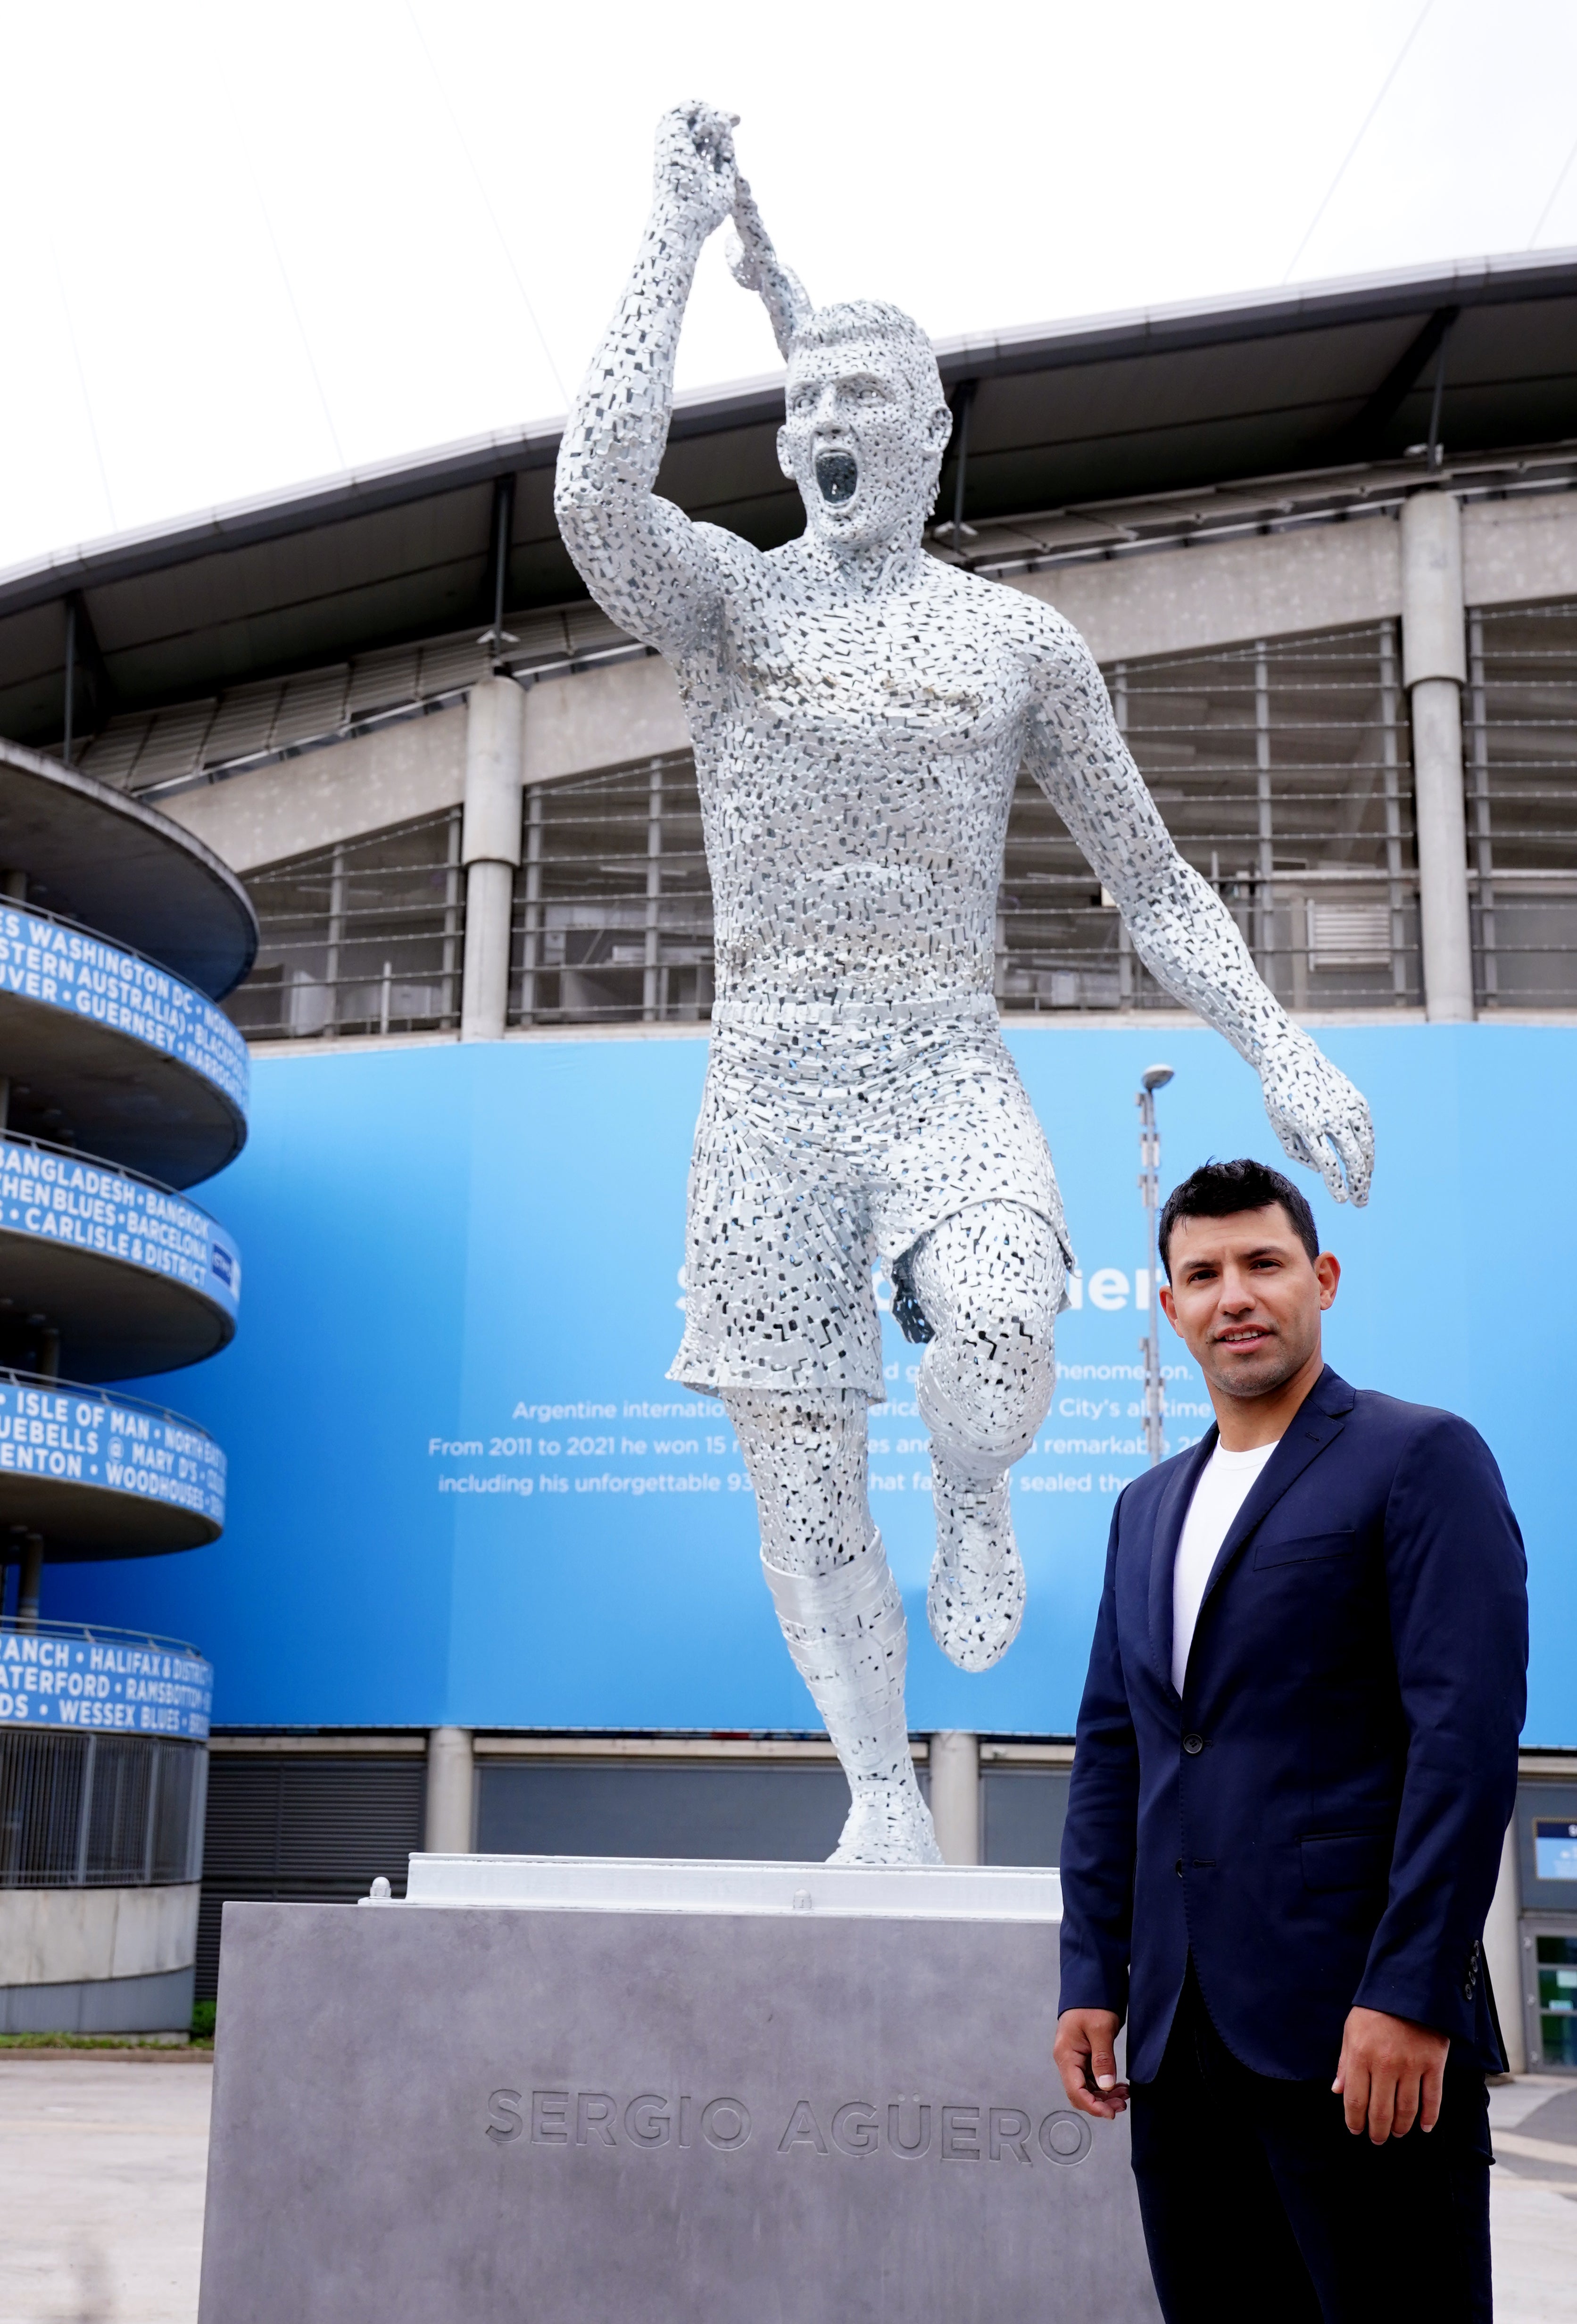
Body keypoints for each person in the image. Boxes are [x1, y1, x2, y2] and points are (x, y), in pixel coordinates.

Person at [555, 101, 1375, 1866]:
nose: (831, 423)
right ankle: (874, 1798)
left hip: (940, 1069)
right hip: (767, 1084)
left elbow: (1149, 876)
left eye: (868, 401)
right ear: (784, 441)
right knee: (798, 1470)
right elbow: (592, 497)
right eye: (809, 402)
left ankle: (982, 1482)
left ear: (927, 436)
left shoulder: (1016, 643)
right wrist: (672, 236)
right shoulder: (733, 612)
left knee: (1002, 1315)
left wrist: (1275, 1041)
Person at [1054, 1157, 1527, 2322]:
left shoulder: (1419, 1457)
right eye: (1202, 1274)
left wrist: (1412, 1991)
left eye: (1262, 1264)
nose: (1234, 1295)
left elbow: (1462, 1744)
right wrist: (1089, 1975)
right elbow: (1116, 1754)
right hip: (1176, 2043)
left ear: (1320, 1278)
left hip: (1359, 2037)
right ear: (1168, 1308)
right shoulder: (1143, 1505)